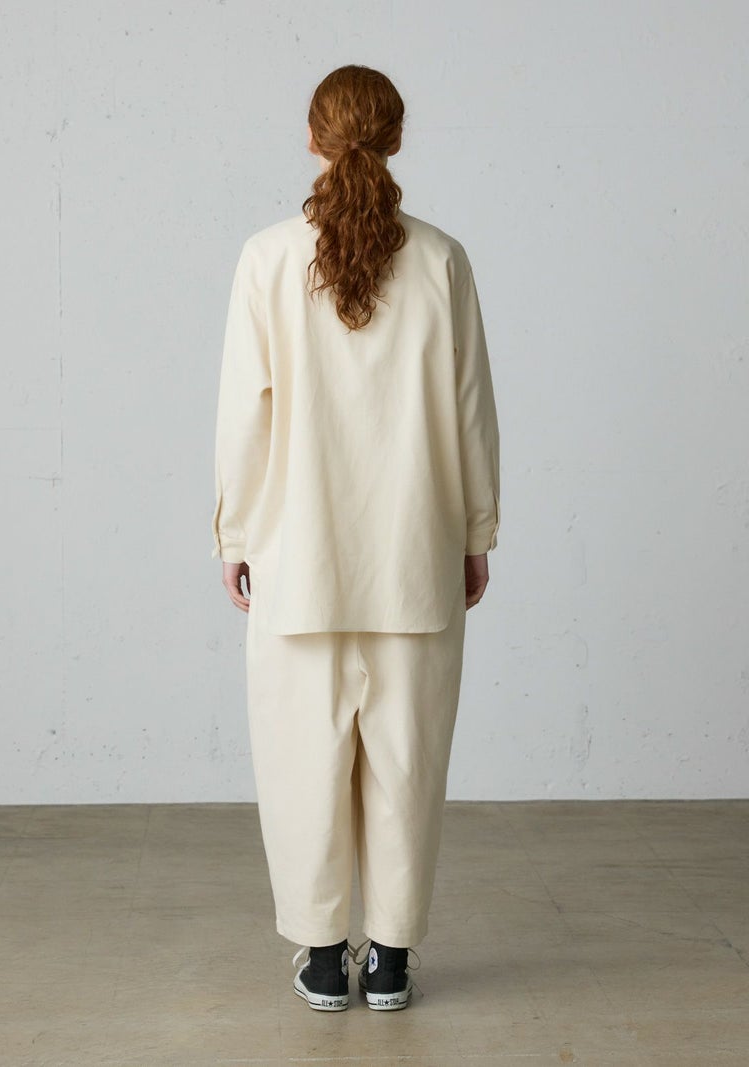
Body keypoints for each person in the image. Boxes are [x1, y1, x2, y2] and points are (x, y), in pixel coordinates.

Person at [211, 64, 500, 1012]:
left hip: (299, 560)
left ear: (312, 138)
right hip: (415, 555)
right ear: (398, 138)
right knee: (408, 764)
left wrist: (237, 533)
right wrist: (476, 531)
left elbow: (244, 415)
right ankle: (392, 960)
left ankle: (325, 956)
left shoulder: (265, 258)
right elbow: (470, 411)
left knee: (301, 764)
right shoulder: (443, 259)